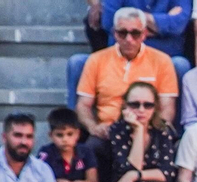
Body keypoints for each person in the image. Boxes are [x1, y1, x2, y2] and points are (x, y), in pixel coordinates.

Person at [75, 7, 181, 152]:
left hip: (148, 129)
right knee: (91, 148)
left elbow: (167, 108)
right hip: (108, 130)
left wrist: (146, 131)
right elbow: (83, 105)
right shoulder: (96, 60)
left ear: (144, 34)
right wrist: (94, 127)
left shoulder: (162, 61)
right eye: (122, 33)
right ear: (114, 33)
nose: (129, 39)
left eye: (135, 33)